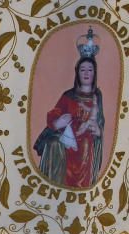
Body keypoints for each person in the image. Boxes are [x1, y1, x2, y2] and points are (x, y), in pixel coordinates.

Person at [35, 42, 104, 188]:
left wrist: (98, 131)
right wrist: (58, 122)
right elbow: (55, 113)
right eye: (82, 70)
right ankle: (55, 185)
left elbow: (99, 121)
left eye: (90, 70)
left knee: (85, 144)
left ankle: (80, 188)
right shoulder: (68, 95)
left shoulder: (97, 96)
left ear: (94, 73)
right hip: (67, 135)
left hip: (86, 137)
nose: (86, 73)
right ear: (77, 73)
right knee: (53, 143)